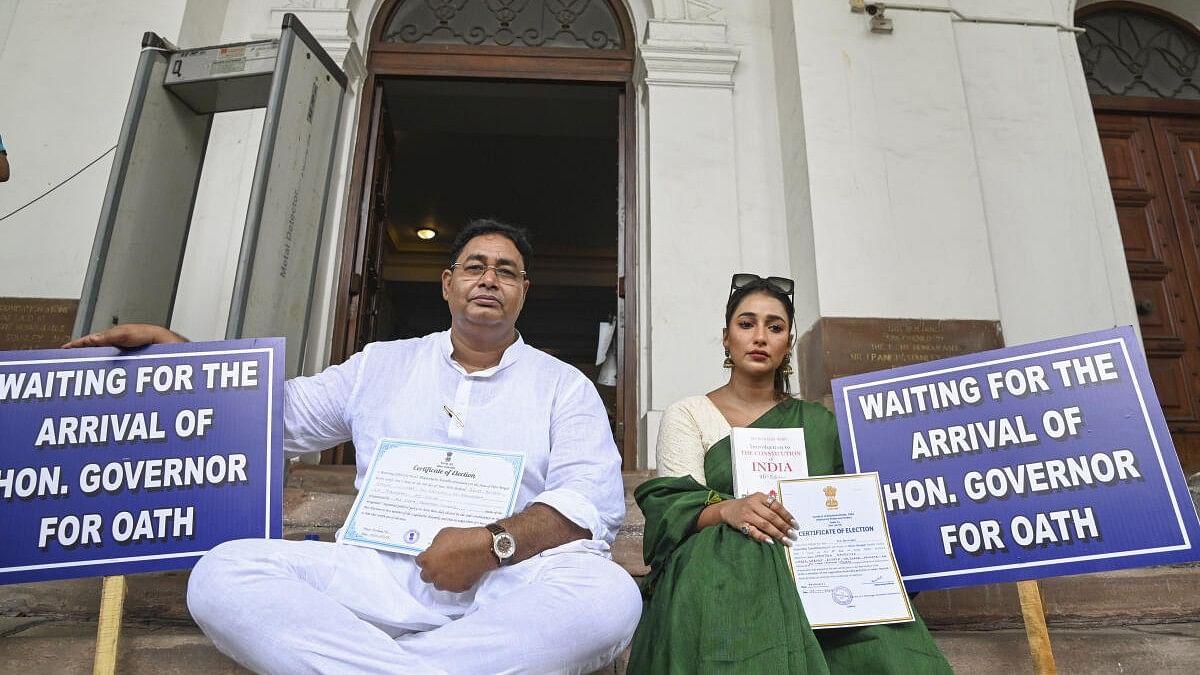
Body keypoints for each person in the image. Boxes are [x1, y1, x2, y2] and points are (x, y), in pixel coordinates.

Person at [65, 219, 641, 674]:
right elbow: (272, 420)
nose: (489, 279)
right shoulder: (379, 365)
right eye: (475, 266)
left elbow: (591, 505)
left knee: (608, 595)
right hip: (375, 576)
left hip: (507, 587)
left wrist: (491, 545)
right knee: (225, 572)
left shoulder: (563, 385)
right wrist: (181, 355)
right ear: (448, 283)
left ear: (523, 293)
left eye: (506, 272)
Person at [626, 273, 951, 674]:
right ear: (727, 338)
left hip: (813, 560)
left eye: (774, 327)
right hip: (721, 565)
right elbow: (675, 503)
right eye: (746, 324)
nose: (760, 336)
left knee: (881, 637)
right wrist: (732, 510)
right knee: (743, 550)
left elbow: (843, 501)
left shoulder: (817, 422)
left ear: (788, 344)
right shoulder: (689, 414)